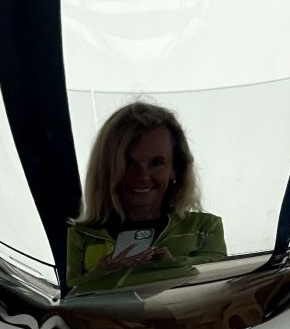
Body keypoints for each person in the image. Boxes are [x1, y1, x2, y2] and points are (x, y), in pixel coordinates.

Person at [66, 102, 226, 292]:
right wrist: (104, 272)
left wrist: (171, 264)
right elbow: (71, 295)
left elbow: (218, 286)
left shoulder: (205, 228)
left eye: (156, 163)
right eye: (129, 163)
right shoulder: (82, 235)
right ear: (106, 169)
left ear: (176, 169)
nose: (142, 176)